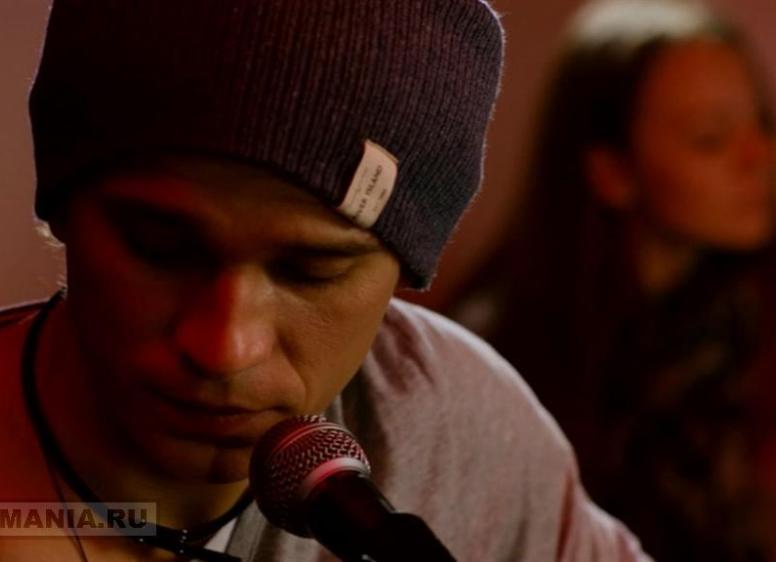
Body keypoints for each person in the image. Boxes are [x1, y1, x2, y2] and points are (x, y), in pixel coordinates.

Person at [0, 1, 651, 561]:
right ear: (63, 211)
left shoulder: (456, 425)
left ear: (402, 271)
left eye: (311, 270)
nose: (225, 348)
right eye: (159, 249)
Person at [449, 0, 776, 560]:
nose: (759, 157)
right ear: (612, 172)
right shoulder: (502, 361)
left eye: (762, 124)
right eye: (711, 137)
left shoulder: (743, 315)